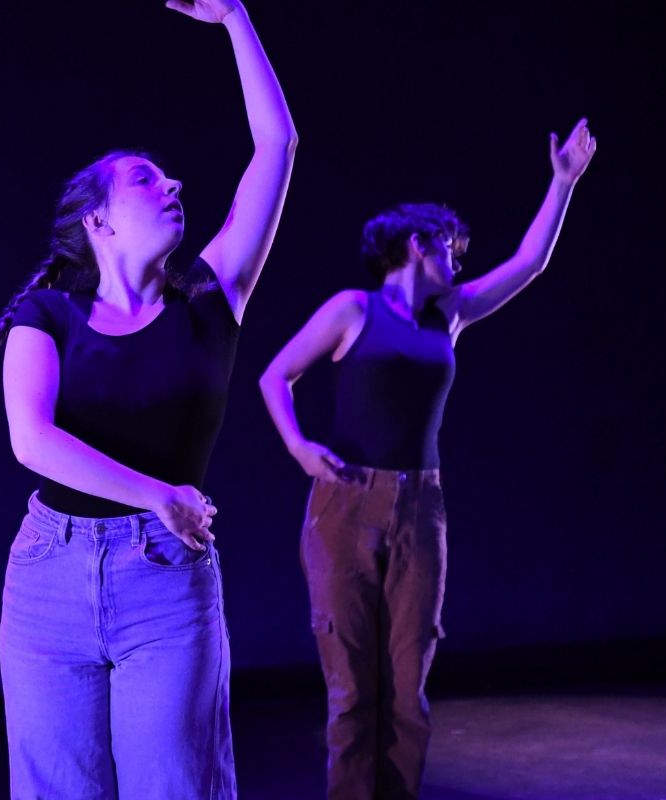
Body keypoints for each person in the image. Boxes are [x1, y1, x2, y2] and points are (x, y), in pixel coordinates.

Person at [0, 1, 296, 797]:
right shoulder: (44, 315)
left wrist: (234, 18)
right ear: (99, 222)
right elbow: (32, 440)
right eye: (146, 178)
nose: (174, 181)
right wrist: (158, 495)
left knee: (177, 786)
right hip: (49, 577)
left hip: (166, 584)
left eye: (169, 174)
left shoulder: (211, 300)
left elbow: (277, 145)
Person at [259, 119, 596, 799]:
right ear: (416, 245)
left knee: (408, 690)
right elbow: (275, 377)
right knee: (353, 690)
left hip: (420, 510)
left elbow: (530, 263)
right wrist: (298, 447)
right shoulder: (351, 310)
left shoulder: (452, 315)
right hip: (345, 506)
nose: (460, 261)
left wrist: (561, 184)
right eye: (451, 247)